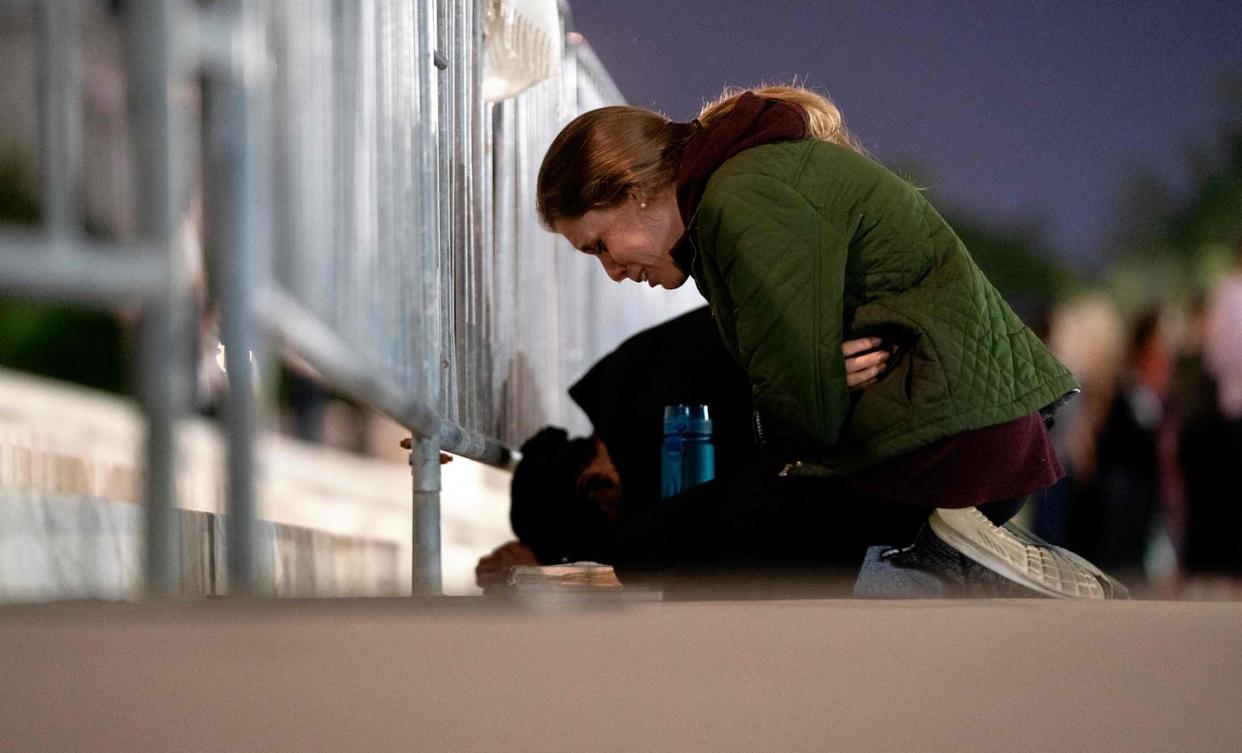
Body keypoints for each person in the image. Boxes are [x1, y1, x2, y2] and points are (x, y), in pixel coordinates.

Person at [535, 85, 1124, 598]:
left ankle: (957, 570)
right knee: (692, 534)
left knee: (653, 548)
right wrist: (808, 377)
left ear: (634, 189)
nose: (611, 270)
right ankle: (953, 556)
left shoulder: (740, 199)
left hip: (941, 447)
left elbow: (806, 417)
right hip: (942, 436)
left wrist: (807, 381)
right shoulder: (741, 186)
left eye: (599, 246)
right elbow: (798, 391)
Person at [475, 306, 890, 587]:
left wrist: (552, 568)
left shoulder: (656, 399)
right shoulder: (636, 383)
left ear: (594, 485)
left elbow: (678, 536)